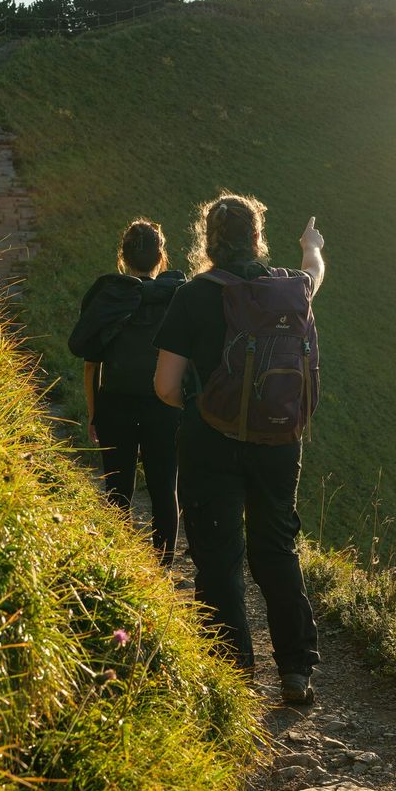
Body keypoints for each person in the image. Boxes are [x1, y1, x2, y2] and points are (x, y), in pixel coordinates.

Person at [153, 192, 326, 704]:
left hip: (210, 439)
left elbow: (165, 385)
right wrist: (311, 244)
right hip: (278, 439)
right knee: (276, 548)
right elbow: (315, 273)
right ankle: (295, 669)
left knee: (218, 555)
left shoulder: (192, 295)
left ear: (207, 240)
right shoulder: (289, 290)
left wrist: (196, 407)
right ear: (257, 237)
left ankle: (233, 674)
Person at [68, 218, 185, 566]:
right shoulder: (176, 295)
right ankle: (161, 570)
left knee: (117, 490)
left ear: (123, 256)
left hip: (115, 406)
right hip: (164, 407)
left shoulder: (110, 295)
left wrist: (93, 415)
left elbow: (91, 364)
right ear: (160, 256)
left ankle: (120, 567)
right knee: (165, 491)